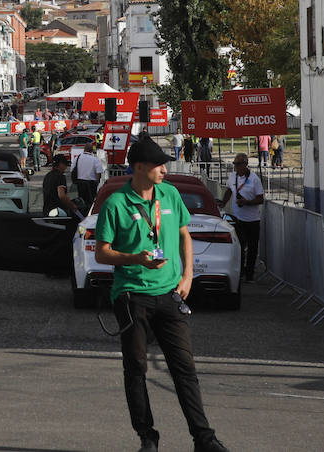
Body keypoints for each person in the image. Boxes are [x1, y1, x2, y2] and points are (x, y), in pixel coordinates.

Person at [94, 134, 229, 452]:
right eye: (158, 165)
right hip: (131, 295)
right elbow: (102, 253)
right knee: (136, 368)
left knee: (185, 368)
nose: (164, 171)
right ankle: (147, 437)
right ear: (139, 167)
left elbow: (185, 234)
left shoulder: (169, 195)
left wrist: (188, 275)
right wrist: (134, 258)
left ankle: (204, 439)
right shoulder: (116, 203)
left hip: (170, 294)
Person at [219, 153, 264, 281]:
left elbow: (261, 199)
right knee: (239, 246)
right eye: (234, 164)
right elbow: (229, 190)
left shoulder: (254, 179)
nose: (236, 167)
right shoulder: (233, 177)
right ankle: (240, 272)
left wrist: (247, 203)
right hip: (237, 218)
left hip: (252, 219)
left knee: (252, 248)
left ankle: (250, 274)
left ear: (245, 164)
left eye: (238, 164)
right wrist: (223, 202)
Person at [41, 153, 79, 218]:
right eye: (65, 164)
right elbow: (62, 196)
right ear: (60, 164)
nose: (66, 167)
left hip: (47, 210)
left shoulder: (47, 176)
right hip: (58, 212)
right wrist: (72, 205)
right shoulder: (60, 177)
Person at [70, 144, 104, 209]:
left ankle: (82, 214)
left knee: (81, 201)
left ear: (84, 149)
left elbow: (72, 169)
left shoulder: (78, 158)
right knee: (91, 202)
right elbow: (98, 173)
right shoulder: (95, 159)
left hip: (80, 183)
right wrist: (97, 182)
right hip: (91, 184)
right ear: (92, 150)